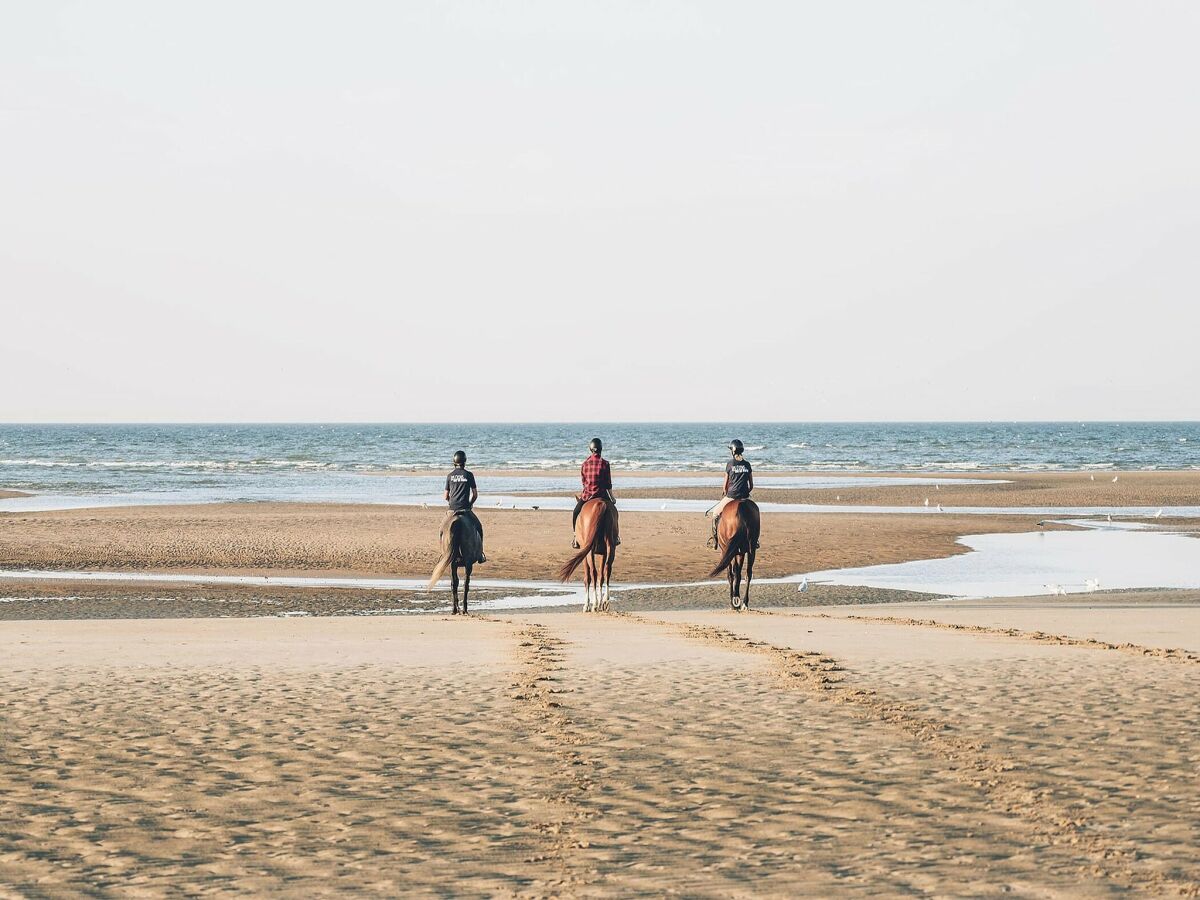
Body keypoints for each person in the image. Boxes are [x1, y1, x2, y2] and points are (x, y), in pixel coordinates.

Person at [708, 439, 755, 550]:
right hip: (744, 497)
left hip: (731, 497)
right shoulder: (747, 464)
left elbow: (725, 485)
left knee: (715, 514)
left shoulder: (730, 464)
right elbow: (751, 485)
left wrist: (725, 492)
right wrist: (746, 492)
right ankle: (755, 541)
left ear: (733, 451)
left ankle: (715, 540)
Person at [572, 437, 619, 548]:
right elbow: (608, 484)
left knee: (575, 512)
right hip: (602, 495)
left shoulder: (585, 464)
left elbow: (584, 483)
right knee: (614, 513)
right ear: (601, 449)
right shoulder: (605, 464)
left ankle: (575, 538)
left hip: (587, 496)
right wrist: (612, 498)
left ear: (591, 450)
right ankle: (616, 537)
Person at [444, 450, 485, 563]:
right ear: (465, 462)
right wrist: (470, 504)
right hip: (465, 509)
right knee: (479, 527)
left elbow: (446, 496)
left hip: (452, 510)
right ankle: (480, 554)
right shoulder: (469, 475)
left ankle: (443, 554)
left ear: (454, 462)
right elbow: (475, 494)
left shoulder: (449, 476)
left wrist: (451, 502)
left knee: (442, 531)